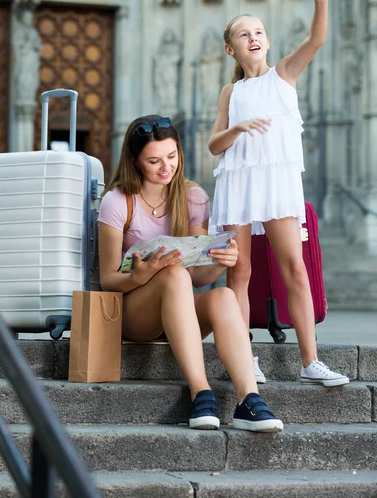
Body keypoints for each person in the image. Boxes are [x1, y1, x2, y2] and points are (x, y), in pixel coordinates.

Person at [208, 0, 349, 387]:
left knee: (295, 268)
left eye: (259, 31)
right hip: (237, 181)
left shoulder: (283, 74)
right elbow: (216, 145)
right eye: (243, 34)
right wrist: (238, 128)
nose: (253, 37)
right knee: (240, 273)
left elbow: (317, 39)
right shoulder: (231, 93)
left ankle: (311, 360)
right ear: (231, 49)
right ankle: (244, 355)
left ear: (267, 41)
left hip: (277, 181)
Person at [98, 115, 283, 432]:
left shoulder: (192, 197)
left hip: (179, 311)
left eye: (171, 157)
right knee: (173, 275)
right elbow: (107, 279)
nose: (165, 167)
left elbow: (199, 276)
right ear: (135, 162)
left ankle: (248, 400)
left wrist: (218, 263)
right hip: (134, 315)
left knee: (223, 296)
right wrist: (143, 274)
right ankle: (202, 393)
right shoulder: (117, 202)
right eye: (154, 161)